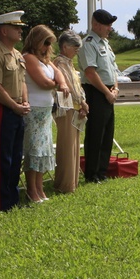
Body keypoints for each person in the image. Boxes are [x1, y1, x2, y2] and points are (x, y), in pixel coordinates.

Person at [0, 11, 29, 210]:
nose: (20, 31)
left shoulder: (17, 54)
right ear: (3, 30)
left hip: (18, 109)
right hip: (4, 109)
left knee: (16, 156)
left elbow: (22, 82)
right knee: (4, 157)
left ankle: (13, 198)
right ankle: (2, 202)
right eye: (15, 27)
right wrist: (15, 106)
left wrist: (24, 103)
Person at [22, 25, 67, 203]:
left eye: (50, 43)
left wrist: (60, 82)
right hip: (33, 111)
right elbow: (43, 82)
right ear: (36, 40)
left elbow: (59, 75)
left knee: (43, 151)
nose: (48, 47)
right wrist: (57, 84)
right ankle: (31, 189)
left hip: (46, 111)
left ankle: (40, 188)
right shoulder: (29, 58)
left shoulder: (46, 60)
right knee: (34, 151)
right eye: (45, 42)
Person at [79, 9, 120, 184]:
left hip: (108, 91)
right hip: (96, 92)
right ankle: (92, 173)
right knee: (96, 134)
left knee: (107, 133)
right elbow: (90, 72)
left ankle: (102, 171)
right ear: (96, 24)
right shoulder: (89, 43)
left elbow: (113, 70)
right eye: (107, 25)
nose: (110, 28)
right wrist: (106, 92)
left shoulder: (105, 43)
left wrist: (115, 89)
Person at [53, 31, 88, 194]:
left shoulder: (69, 63)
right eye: (75, 47)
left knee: (74, 146)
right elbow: (68, 85)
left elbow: (77, 85)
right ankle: (64, 184)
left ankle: (72, 182)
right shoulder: (60, 63)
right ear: (65, 47)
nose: (77, 50)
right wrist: (82, 102)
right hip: (66, 108)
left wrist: (82, 103)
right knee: (67, 147)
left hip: (74, 108)